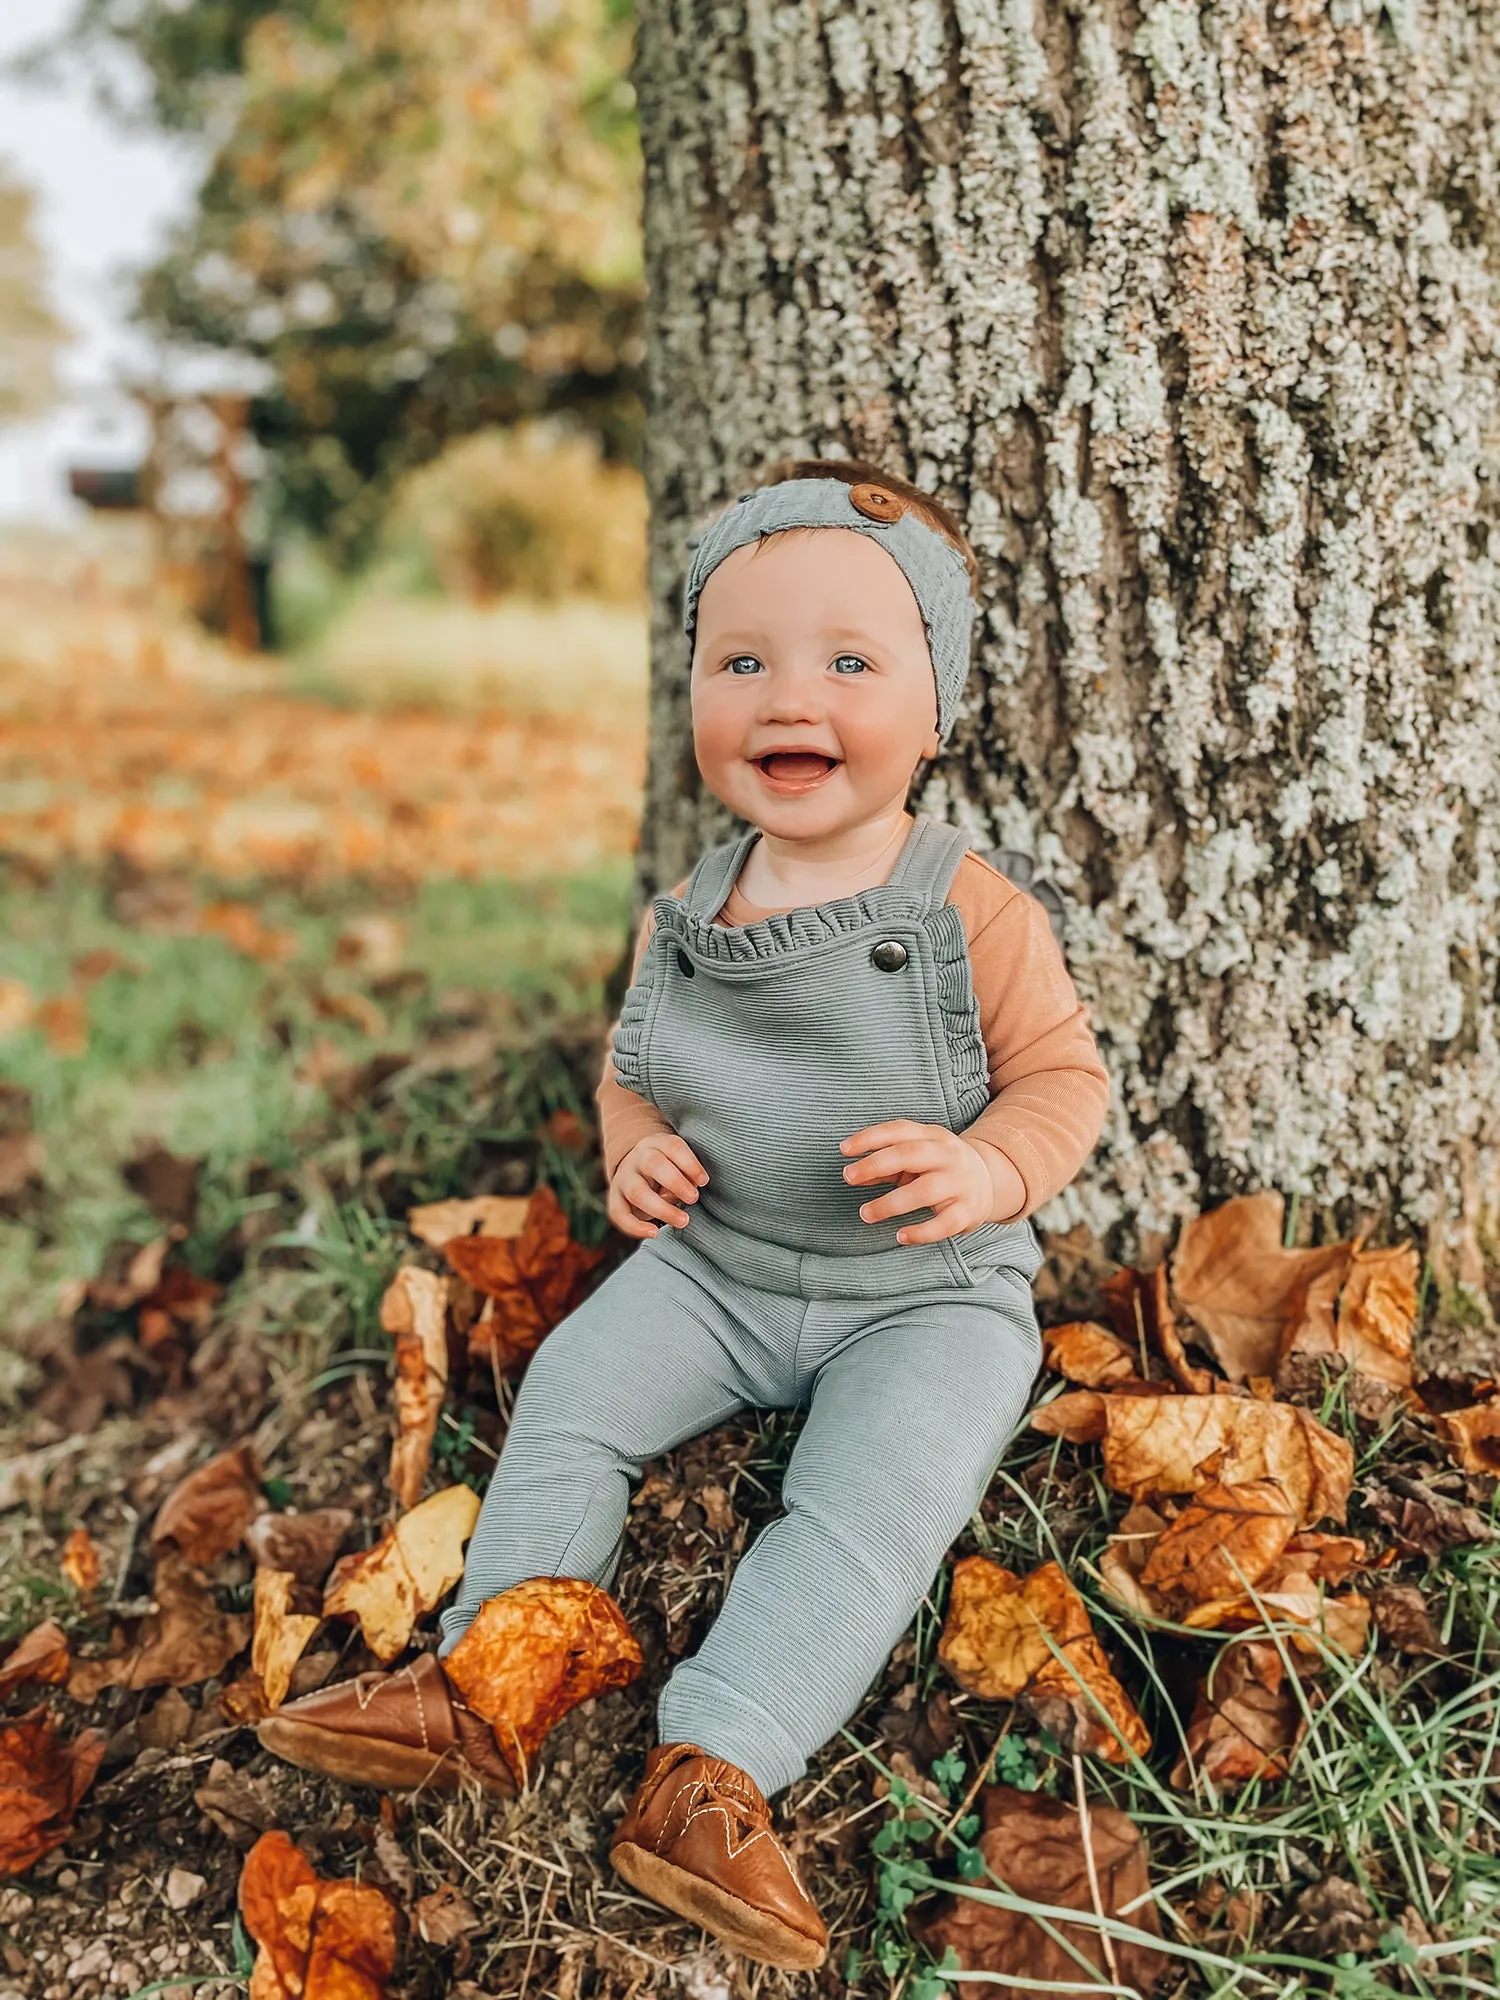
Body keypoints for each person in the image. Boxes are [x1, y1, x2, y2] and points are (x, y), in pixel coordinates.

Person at [259, 460, 1110, 1971]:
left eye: (852, 661)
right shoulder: (686, 913)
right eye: (745, 661)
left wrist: (991, 1170)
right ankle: (493, 1680)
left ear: (938, 704)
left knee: (871, 1505)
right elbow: (631, 1070)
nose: (794, 697)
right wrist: (635, 1144)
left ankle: (717, 1768)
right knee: (576, 1392)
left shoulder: (964, 906)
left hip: (924, 1289)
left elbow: (1063, 1079)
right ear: (699, 693)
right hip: (719, 1267)